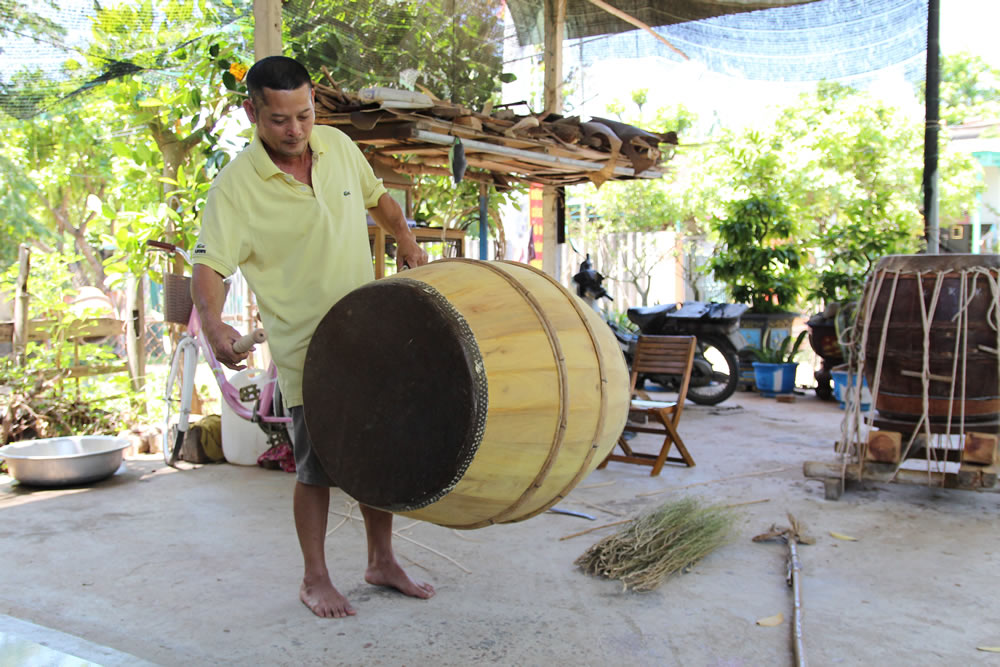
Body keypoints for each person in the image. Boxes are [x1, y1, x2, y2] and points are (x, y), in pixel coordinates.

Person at [190, 55, 433, 618]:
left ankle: (381, 561)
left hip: (368, 334)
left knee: (375, 458)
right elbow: (210, 267)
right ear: (252, 111)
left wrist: (405, 237)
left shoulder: (340, 148)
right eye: (279, 120)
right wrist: (217, 322)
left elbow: (379, 199)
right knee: (317, 469)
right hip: (309, 352)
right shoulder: (235, 188)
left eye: (304, 114)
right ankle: (315, 578)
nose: (296, 129)